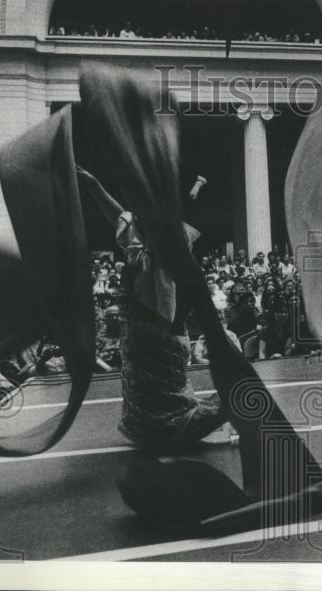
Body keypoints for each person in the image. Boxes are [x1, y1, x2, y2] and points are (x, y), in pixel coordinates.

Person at [75, 166, 226, 451]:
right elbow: (120, 217)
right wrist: (94, 185)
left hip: (163, 337)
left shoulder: (171, 253)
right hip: (139, 340)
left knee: (167, 403)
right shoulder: (138, 250)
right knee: (147, 400)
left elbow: (176, 308)